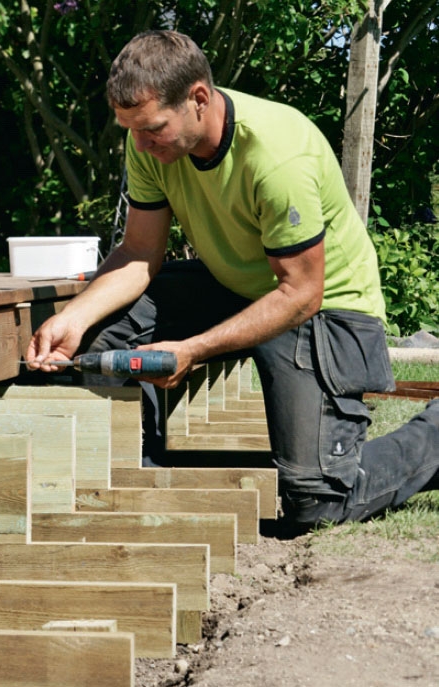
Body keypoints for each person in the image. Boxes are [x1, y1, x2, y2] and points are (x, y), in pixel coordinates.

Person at [26, 29, 439, 528]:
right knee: (101, 328)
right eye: (129, 129)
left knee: (317, 501)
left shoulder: (277, 157)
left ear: (199, 98)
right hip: (238, 285)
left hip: (323, 307)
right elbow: (138, 252)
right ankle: (140, 470)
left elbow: (301, 294)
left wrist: (192, 350)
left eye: (152, 128)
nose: (139, 143)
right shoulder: (148, 144)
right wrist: (74, 317)